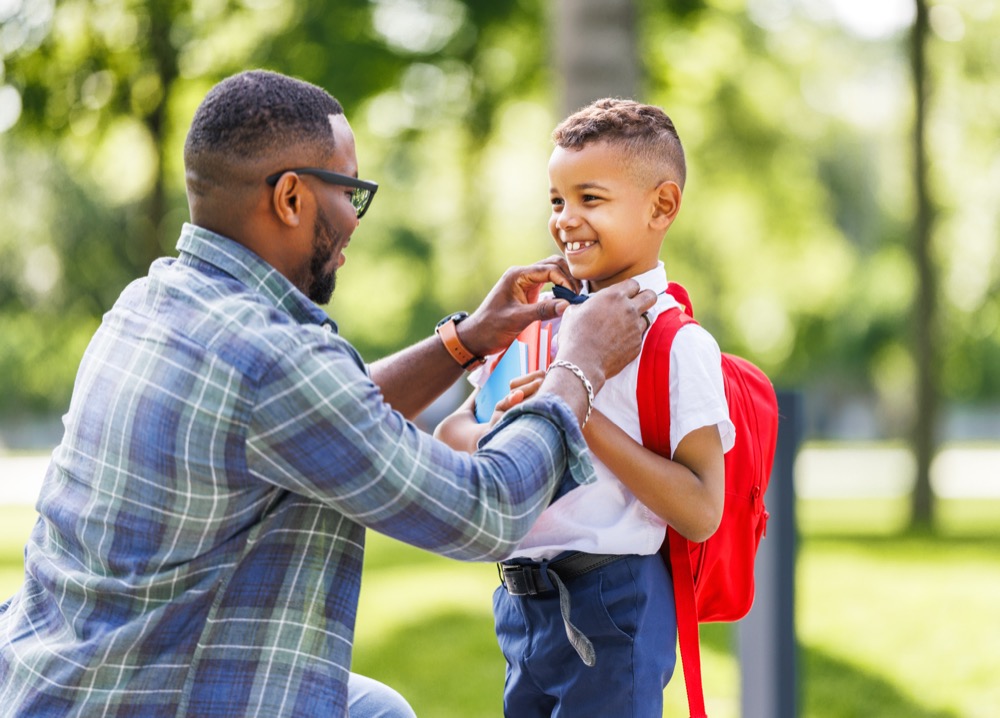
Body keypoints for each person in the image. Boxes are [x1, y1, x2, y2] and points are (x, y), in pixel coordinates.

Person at [0, 72, 657, 718]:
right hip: (160, 696)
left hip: (60, 680)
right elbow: (485, 513)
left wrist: (465, 341)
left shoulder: (150, 305)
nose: (356, 221)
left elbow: (323, 419)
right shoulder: (272, 360)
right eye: (352, 193)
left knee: (380, 711)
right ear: (291, 198)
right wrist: (580, 365)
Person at [434, 98, 736, 717]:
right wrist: (515, 423)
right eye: (556, 200)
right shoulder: (539, 324)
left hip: (615, 597)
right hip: (523, 604)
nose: (566, 219)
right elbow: (451, 432)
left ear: (662, 206)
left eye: (589, 199)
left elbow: (702, 510)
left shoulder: (678, 345)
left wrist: (576, 407)